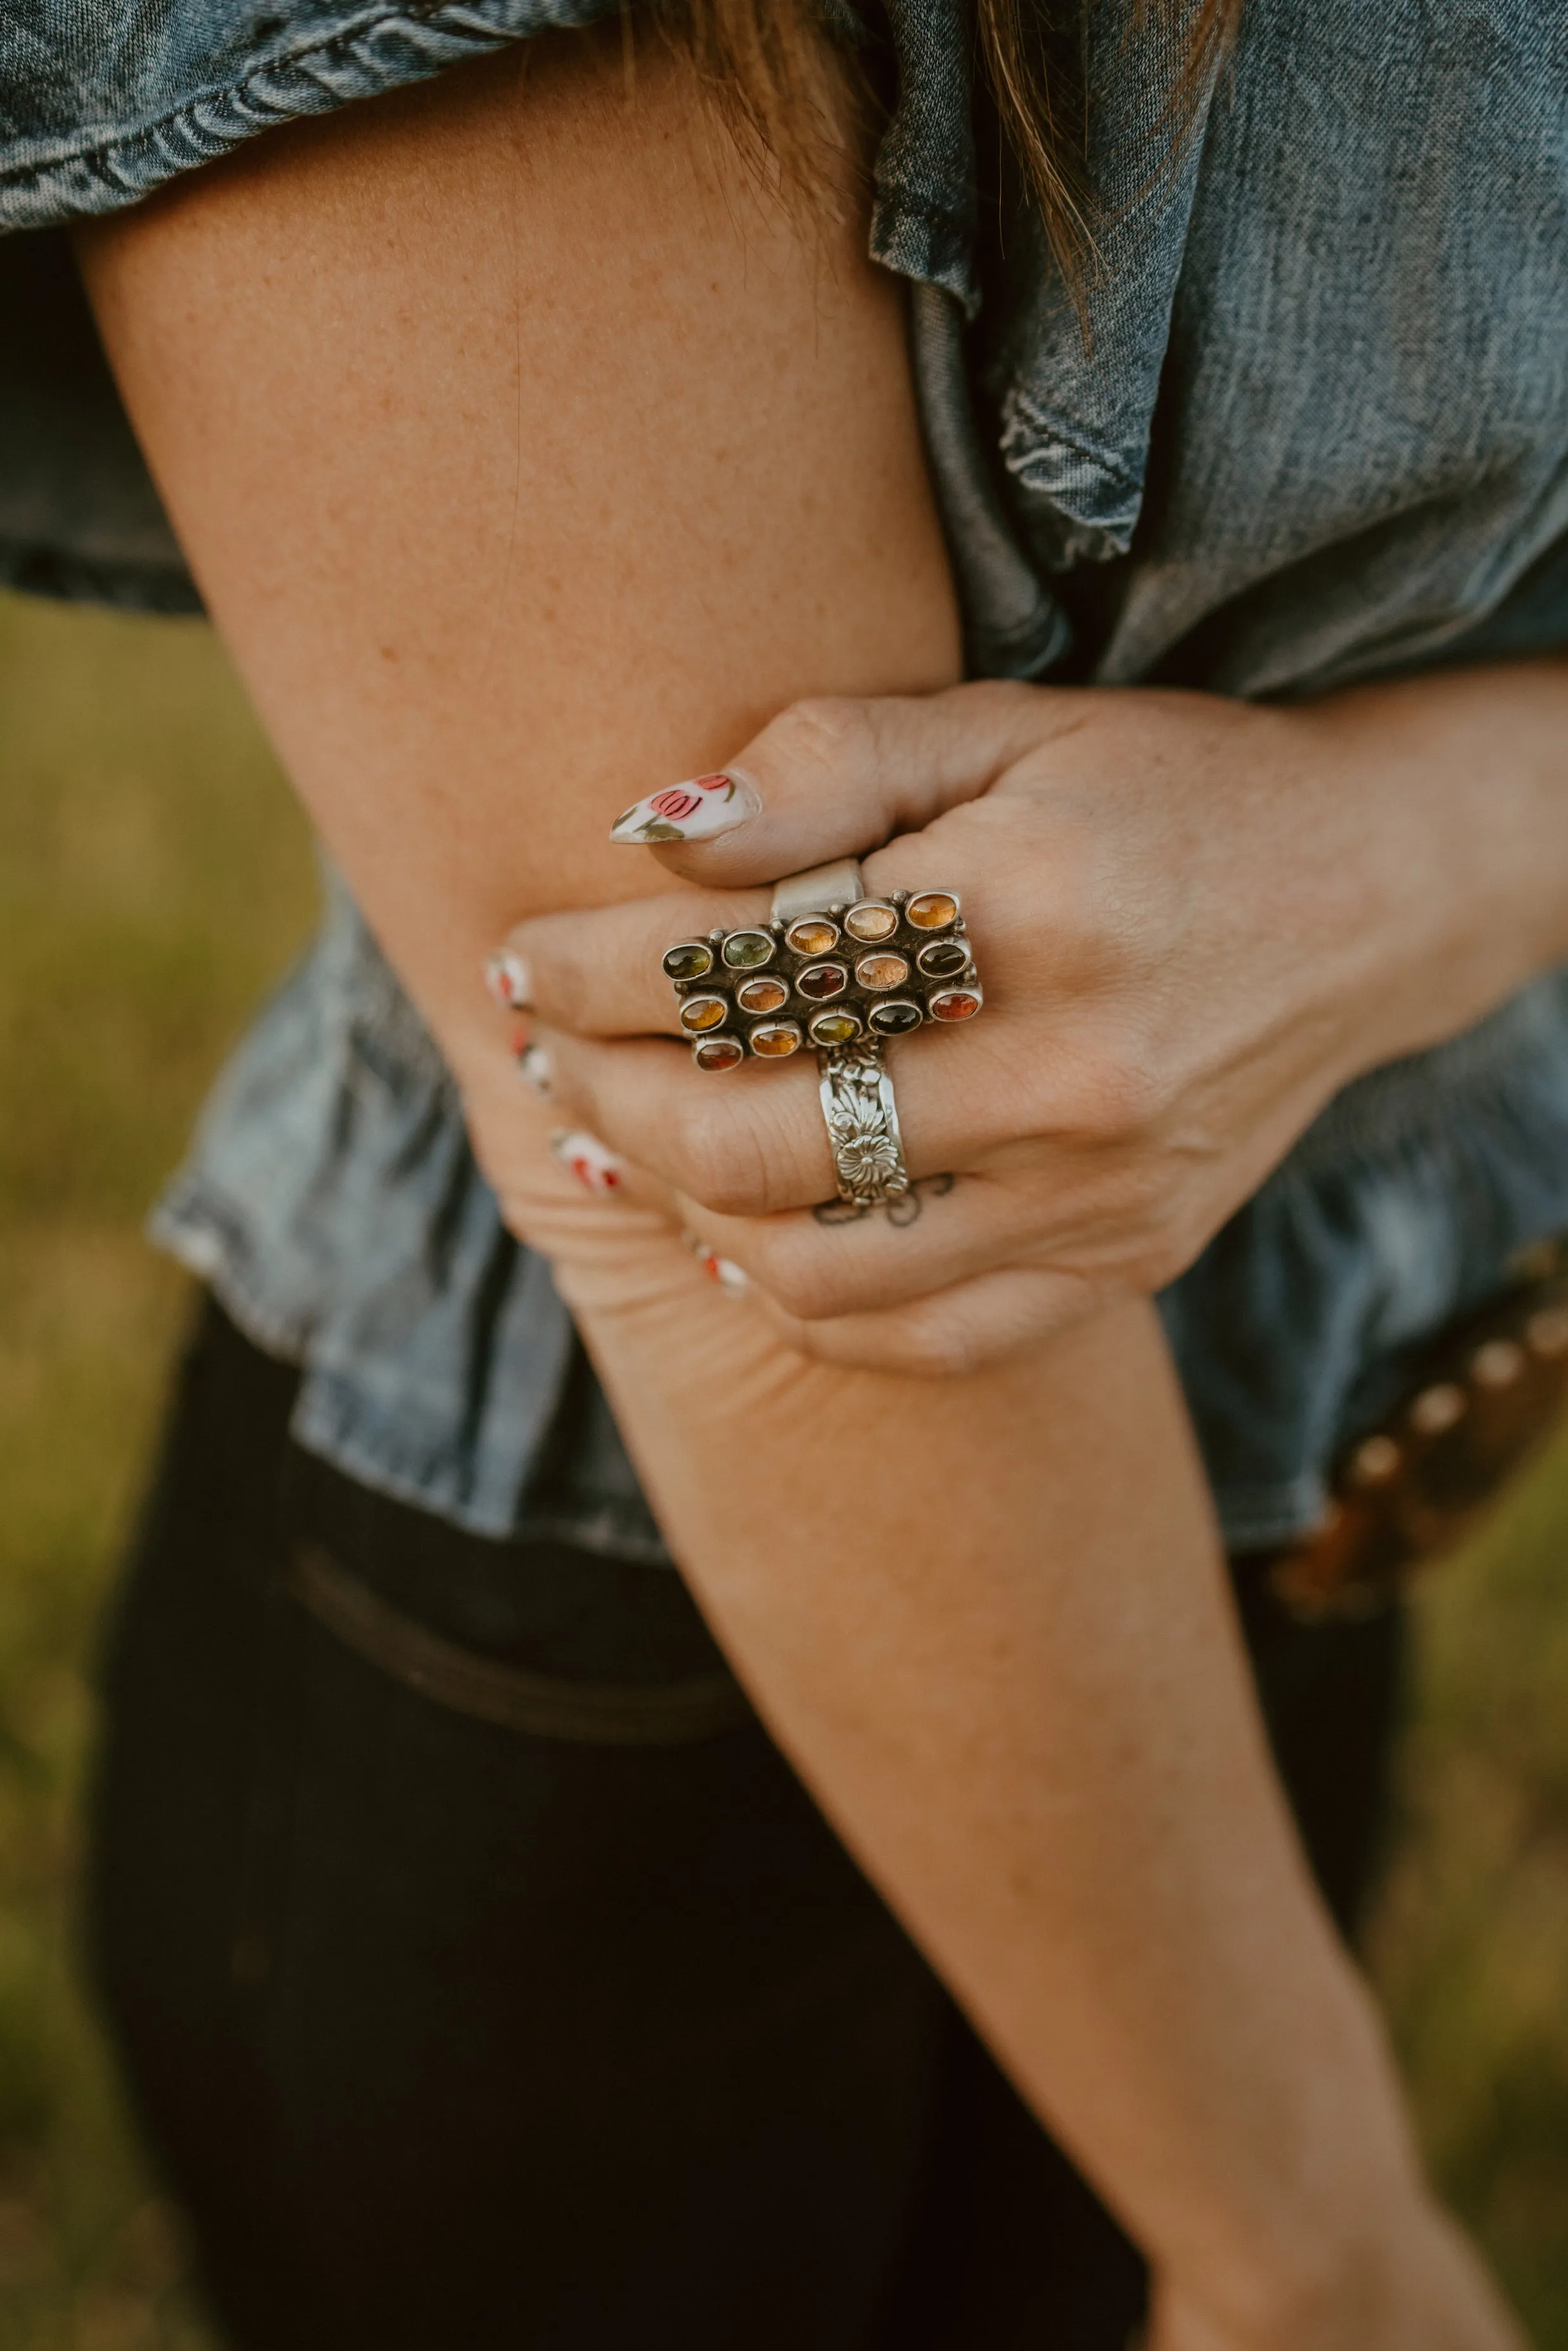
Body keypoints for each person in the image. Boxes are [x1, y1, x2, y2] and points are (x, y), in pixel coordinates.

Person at [2, 1, 1565, 2342]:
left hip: (1296, 1450)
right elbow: (776, 1221)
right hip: (615, 1636)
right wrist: (1312, 2236)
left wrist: (1405, 860)